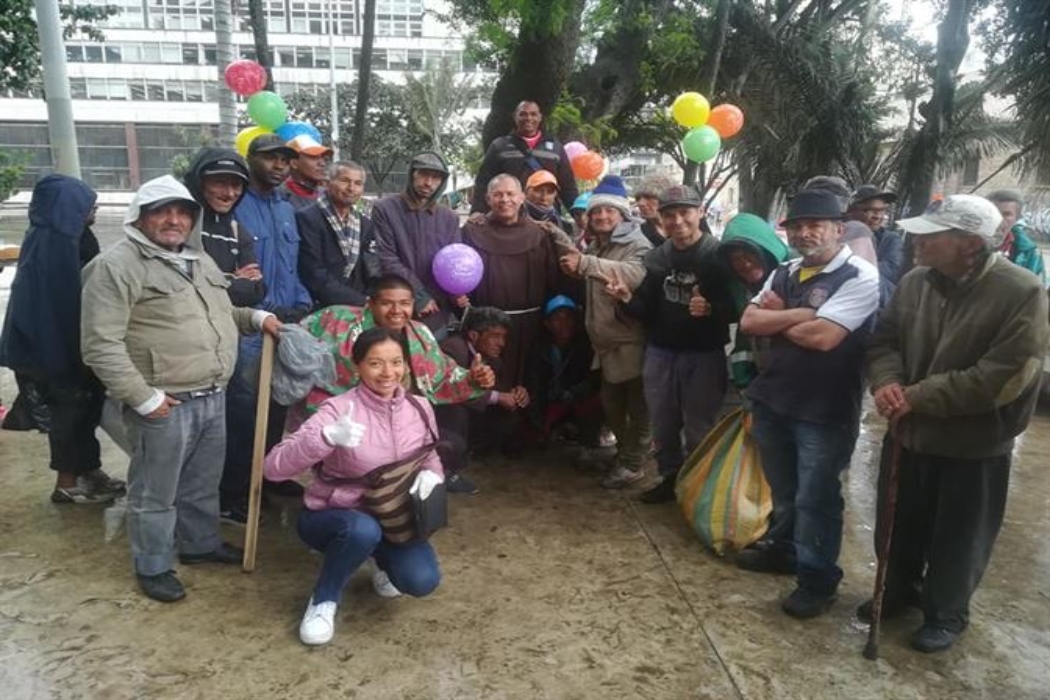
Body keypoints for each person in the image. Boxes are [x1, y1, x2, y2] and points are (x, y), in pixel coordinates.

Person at [80, 175, 280, 602]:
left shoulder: (199, 260)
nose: (174, 220)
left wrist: (256, 319)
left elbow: (223, 312)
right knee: (156, 490)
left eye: (182, 212)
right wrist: (143, 398)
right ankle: (152, 564)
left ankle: (199, 544)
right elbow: (100, 345)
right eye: (162, 211)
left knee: (201, 483)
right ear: (141, 216)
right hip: (164, 402)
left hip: (212, 393)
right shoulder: (117, 266)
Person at [865, 194, 1048, 653]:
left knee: (960, 534)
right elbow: (884, 341)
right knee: (899, 522)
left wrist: (915, 396)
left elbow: (1003, 376)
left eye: (931, 233)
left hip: (974, 442)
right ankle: (898, 590)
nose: (916, 240)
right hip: (909, 431)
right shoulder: (915, 282)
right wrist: (887, 383)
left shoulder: (1021, 291)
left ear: (969, 243)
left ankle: (946, 611)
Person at [738, 188, 879, 618]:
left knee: (816, 499)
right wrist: (803, 315)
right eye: (796, 226)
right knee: (783, 491)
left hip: (824, 410)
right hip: (774, 398)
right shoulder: (784, 270)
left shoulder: (860, 276)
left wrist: (780, 319)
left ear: (839, 229)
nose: (803, 233)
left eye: (814, 224)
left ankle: (818, 579)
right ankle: (783, 550)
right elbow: (747, 321)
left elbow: (823, 338)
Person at [264, 327, 443, 646]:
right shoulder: (337, 410)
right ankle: (323, 600)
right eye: (376, 363)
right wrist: (325, 438)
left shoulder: (419, 407)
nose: (388, 373)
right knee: (362, 530)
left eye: (396, 362)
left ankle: (379, 560)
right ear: (357, 365)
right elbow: (273, 468)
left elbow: (429, 456)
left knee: (421, 579)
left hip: (393, 517)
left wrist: (434, 476)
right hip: (334, 516)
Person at [606, 185, 734, 504]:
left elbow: (739, 307)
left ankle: (700, 489)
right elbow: (645, 309)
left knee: (699, 426)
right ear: (660, 218)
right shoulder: (657, 256)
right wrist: (625, 298)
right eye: (669, 215)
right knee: (663, 424)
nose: (677, 221)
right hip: (661, 352)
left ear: (700, 212)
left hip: (704, 354)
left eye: (684, 213)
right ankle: (670, 478)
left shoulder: (718, 256)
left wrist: (712, 310)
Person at [0, 175, 124, 503]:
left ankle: (89, 471)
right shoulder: (53, 246)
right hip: (50, 350)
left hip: (68, 345)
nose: (93, 209)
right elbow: (59, 307)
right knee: (68, 415)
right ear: (66, 207)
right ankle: (67, 484)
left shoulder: (73, 237)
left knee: (87, 409)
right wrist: (73, 355)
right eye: (86, 204)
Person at [224, 133, 314, 523]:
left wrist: (301, 301)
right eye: (271, 158)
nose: (279, 165)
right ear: (250, 158)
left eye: (285, 159)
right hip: (248, 324)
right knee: (244, 411)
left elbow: (290, 263)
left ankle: (270, 475)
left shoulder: (285, 206)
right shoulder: (235, 205)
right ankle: (234, 494)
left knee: (279, 402)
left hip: (286, 319)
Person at [559, 175, 652, 489]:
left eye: (609, 212)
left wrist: (585, 263)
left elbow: (635, 274)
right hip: (606, 344)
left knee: (637, 409)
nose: (601, 216)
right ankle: (627, 455)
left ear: (622, 214)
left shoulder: (636, 243)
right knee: (613, 407)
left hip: (631, 341)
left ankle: (633, 463)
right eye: (597, 212)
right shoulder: (598, 243)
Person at [299, 274, 496, 415]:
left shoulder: (420, 333)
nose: (396, 310)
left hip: (398, 415)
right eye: (387, 303)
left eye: (405, 303)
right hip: (340, 415)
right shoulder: (336, 319)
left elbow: (441, 375)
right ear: (370, 304)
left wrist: (473, 378)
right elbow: (296, 338)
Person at [461, 174, 563, 386]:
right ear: (488, 200)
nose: (505, 199)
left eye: (510, 194)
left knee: (529, 380)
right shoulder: (472, 231)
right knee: (490, 381)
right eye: (498, 194)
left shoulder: (539, 233)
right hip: (486, 326)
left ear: (522, 197)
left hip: (530, 325)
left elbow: (553, 280)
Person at [372, 151, 462, 337]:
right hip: (395, 306)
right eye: (423, 174)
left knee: (430, 363)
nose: (428, 183)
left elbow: (453, 264)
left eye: (435, 178)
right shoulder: (385, 209)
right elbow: (387, 258)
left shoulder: (449, 218)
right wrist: (419, 297)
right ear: (412, 174)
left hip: (436, 310)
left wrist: (441, 296)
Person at [436, 307, 530, 483]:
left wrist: (516, 393)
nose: (501, 343)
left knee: (510, 414)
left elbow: (500, 390)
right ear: (473, 335)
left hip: (473, 417)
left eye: (503, 337)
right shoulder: (453, 349)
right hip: (443, 416)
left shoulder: (494, 359)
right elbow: (449, 389)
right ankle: (449, 466)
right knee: (456, 410)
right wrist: (498, 397)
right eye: (495, 336)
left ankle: (479, 448)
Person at [183, 147, 265, 308]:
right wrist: (232, 280)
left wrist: (216, 282)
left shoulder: (237, 231)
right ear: (199, 183)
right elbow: (181, 288)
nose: (229, 193)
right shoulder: (180, 226)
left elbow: (256, 291)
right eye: (219, 183)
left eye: (236, 185)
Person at [717, 213, 790, 389]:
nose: (746, 264)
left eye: (750, 254)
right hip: (762, 381)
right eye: (736, 259)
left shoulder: (795, 273)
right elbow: (744, 334)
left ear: (766, 251)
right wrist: (743, 382)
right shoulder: (738, 286)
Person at [471, 101, 579, 214]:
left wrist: (577, 213)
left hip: (546, 216)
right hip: (510, 216)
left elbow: (568, 185)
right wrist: (477, 211)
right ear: (515, 117)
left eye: (533, 114)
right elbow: (483, 182)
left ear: (540, 117)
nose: (528, 118)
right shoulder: (499, 146)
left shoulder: (555, 147)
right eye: (523, 114)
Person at [296, 160, 379, 306]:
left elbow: (370, 267)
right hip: (321, 304)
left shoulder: (365, 223)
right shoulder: (308, 218)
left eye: (358, 183)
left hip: (361, 304)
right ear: (328, 184)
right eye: (345, 181)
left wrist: (371, 297)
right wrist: (357, 300)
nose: (351, 188)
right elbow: (313, 272)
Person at [524, 295, 602, 449]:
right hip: (550, 401)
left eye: (568, 318)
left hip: (576, 399)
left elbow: (594, 379)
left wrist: (574, 394)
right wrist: (538, 420)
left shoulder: (585, 346)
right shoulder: (539, 348)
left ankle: (587, 444)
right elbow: (534, 384)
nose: (564, 323)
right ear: (547, 323)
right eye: (557, 319)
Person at [848, 185, 903, 303]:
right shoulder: (838, 235)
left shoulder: (891, 239)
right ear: (852, 212)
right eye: (869, 210)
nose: (877, 216)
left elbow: (891, 270)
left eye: (882, 210)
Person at [986, 189, 1046, 285]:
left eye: (1006, 214)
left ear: (1016, 218)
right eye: (993, 212)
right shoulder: (968, 244)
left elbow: (1037, 289)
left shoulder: (1030, 252)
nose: (999, 219)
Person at [281, 134, 332, 211]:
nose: (322, 163)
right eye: (314, 157)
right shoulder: (278, 196)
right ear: (294, 163)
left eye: (323, 158)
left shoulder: (328, 195)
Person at [524, 169, 573, 235]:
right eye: (538, 190)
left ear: (555, 195)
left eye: (550, 192)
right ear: (526, 191)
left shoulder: (563, 225)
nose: (544, 197)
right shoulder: (514, 218)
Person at [634, 178, 670, 248]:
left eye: (648, 197)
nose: (640, 203)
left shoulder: (682, 227)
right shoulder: (639, 231)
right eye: (638, 199)